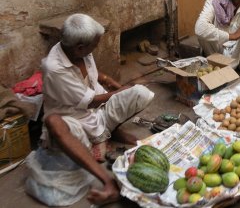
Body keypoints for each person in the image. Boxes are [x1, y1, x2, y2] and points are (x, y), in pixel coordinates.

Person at [40, 14, 154, 205]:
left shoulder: (80, 51)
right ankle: (107, 181)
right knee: (53, 122)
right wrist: (120, 91)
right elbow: (91, 101)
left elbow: (96, 74)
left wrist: (112, 84)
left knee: (140, 93)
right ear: (80, 47)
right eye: (95, 45)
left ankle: (108, 134)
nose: (96, 48)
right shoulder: (54, 68)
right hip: (75, 121)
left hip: (97, 112)